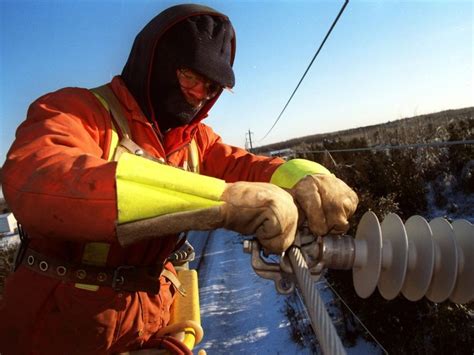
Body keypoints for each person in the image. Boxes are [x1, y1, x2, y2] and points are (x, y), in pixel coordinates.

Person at [0, 4, 358, 354]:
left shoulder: (194, 141)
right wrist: (223, 203)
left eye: (212, 88)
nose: (200, 96)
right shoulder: (75, 111)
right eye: (191, 78)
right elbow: (41, 179)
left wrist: (308, 175)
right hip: (55, 333)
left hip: (147, 326)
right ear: (153, 63)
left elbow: (246, 165)